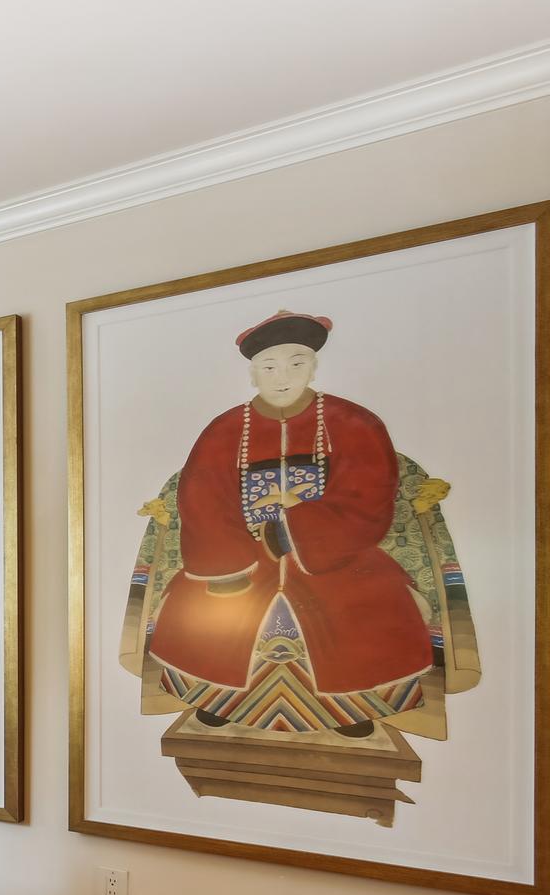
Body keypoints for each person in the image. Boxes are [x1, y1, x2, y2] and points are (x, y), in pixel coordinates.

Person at [145, 310, 432, 736]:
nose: (283, 376)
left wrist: (292, 527)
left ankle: (349, 708)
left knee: (370, 608)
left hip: (332, 553)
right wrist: (230, 561)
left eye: (297, 363)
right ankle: (217, 697)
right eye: (269, 366)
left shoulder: (355, 424)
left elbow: (369, 498)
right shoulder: (223, 430)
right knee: (206, 615)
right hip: (238, 553)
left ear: (314, 367)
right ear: (252, 374)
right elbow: (201, 499)